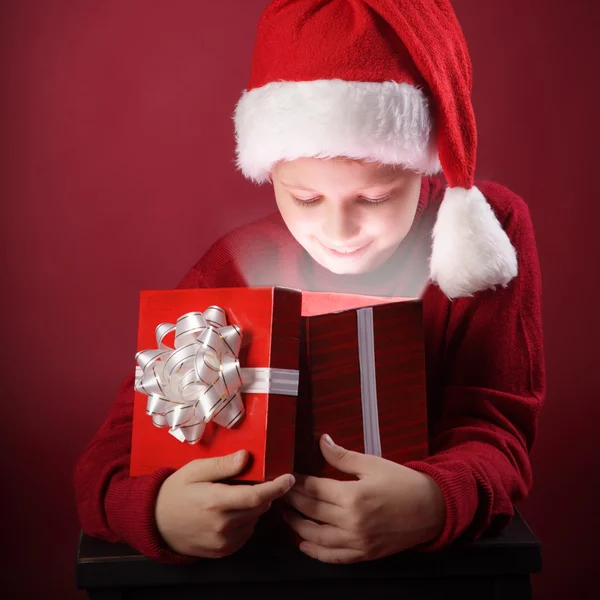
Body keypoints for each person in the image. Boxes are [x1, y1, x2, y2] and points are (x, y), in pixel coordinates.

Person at [73, 0, 545, 565]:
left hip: (423, 571)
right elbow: (106, 460)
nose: (338, 230)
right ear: (270, 172)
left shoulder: (488, 231)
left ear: (424, 163)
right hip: (259, 568)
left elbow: (496, 429)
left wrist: (434, 502)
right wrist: (154, 511)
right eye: (305, 198)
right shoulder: (238, 261)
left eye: (374, 198)